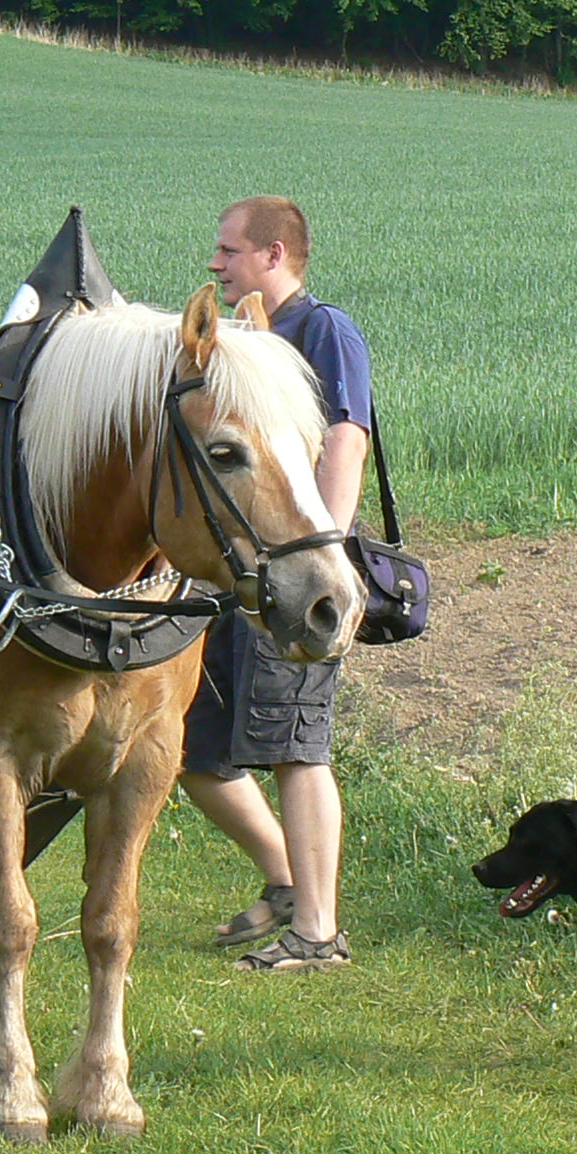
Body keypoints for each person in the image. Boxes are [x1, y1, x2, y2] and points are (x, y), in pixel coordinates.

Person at [179, 195, 373, 973]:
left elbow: (344, 439)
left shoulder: (323, 330)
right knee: (194, 750)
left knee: (298, 747)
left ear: (273, 254)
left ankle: (319, 935)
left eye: (228, 250)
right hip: (239, 576)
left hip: (299, 577)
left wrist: (319, 555)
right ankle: (287, 880)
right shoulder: (249, 339)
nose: (215, 264)